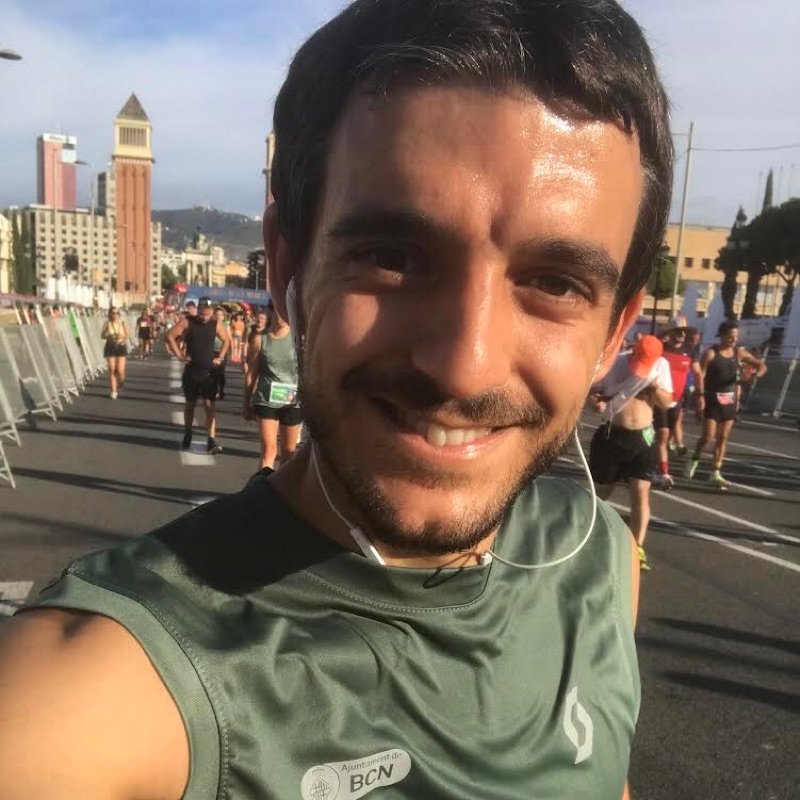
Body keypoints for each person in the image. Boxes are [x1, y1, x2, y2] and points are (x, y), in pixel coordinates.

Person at [0, 2, 674, 798]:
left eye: (555, 283)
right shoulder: (103, 680)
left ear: (613, 331)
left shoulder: (600, 562)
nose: (465, 367)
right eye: (394, 257)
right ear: (288, 267)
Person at [588, 336, 673, 570]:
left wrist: (653, 386)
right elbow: (595, 393)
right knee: (600, 493)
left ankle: (638, 546)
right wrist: (597, 403)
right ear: (633, 353)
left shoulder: (660, 367)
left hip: (643, 439)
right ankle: (588, 535)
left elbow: (667, 402)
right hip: (612, 436)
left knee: (641, 492)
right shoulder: (616, 364)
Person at [685, 320, 766, 489]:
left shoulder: (739, 353)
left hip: (729, 401)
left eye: (735, 337)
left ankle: (716, 471)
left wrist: (755, 376)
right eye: (730, 337)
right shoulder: (711, 354)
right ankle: (695, 457)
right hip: (712, 399)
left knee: (723, 437)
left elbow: (761, 365)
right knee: (708, 436)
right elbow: (700, 375)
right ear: (721, 336)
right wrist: (700, 396)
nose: (733, 340)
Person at [165, 299, 231, 454]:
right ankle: (188, 432)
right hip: (192, 371)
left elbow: (226, 341)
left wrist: (220, 357)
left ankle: (211, 440)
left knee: (209, 406)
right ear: (198, 310)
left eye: (207, 314)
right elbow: (170, 336)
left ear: (211, 311)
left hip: (209, 371)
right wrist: (180, 355)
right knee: (190, 405)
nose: (204, 317)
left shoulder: (216, 323)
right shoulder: (188, 322)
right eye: (202, 313)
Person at [243, 303, 303, 469]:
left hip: (292, 401)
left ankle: (283, 485)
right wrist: (246, 402)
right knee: (269, 450)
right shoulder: (260, 339)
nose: (282, 316)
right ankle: (263, 483)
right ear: (270, 312)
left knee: (289, 452)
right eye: (278, 311)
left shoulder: (299, 339)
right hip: (266, 400)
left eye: (287, 312)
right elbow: (252, 374)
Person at [651, 327, 701, 488]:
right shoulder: (660, 349)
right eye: (678, 332)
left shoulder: (689, 351)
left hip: (677, 401)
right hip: (660, 400)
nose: (681, 335)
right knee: (662, 435)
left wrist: (700, 394)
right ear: (670, 333)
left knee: (666, 439)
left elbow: (698, 373)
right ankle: (663, 472)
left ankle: (654, 465)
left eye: (683, 333)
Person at [100, 306, 129, 399]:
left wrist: (122, 337)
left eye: (117, 313)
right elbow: (102, 335)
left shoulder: (123, 323)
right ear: (110, 314)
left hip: (120, 346)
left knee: (120, 370)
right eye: (113, 313)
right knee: (112, 370)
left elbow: (127, 334)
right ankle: (113, 391)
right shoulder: (107, 323)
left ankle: (121, 381)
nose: (115, 315)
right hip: (110, 347)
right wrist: (109, 336)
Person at [212, 306, 229, 400]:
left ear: (223, 316)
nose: (218, 316)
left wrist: (233, 350)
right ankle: (213, 390)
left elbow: (229, 340)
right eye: (216, 314)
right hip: (211, 351)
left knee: (221, 372)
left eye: (220, 315)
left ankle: (221, 390)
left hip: (222, 351)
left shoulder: (226, 326)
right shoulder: (210, 325)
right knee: (212, 372)